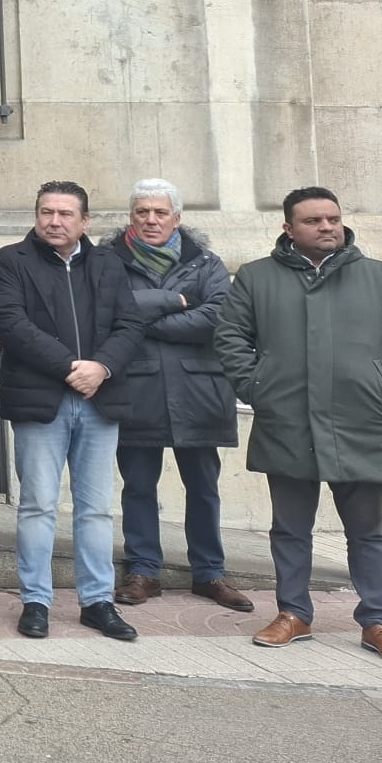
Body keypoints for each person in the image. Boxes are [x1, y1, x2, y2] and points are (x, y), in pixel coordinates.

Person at [215, 187, 382, 658]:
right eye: (313, 221)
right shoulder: (255, 277)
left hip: (364, 423)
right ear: (289, 228)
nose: (327, 227)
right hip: (286, 421)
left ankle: (379, 621)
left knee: (370, 531)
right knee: (290, 529)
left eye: (332, 218)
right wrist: (258, 387)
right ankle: (294, 613)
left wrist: (381, 390)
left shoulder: (379, 278)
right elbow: (230, 338)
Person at [0, 180, 144, 643]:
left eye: (65, 214)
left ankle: (98, 602)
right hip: (42, 401)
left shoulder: (109, 263)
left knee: (95, 510)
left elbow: (131, 324)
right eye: (46, 212)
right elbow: (10, 324)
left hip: (99, 401)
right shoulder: (10, 262)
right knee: (37, 506)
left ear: (85, 221)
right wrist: (71, 367)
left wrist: (103, 367)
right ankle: (36, 601)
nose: (54, 221)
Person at [107, 178, 252, 613]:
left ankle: (210, 573)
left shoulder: (207, 262)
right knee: (137, 486)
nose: (151, 220)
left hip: (199, 389)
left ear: (177, 218)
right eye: (142, 212)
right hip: (137, 388)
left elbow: (216, 316)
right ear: (131, 217)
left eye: (160, 212)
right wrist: (176, 301)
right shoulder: (108, 261)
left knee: (204, 488)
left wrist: (144, 318)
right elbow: (110, 311)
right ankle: (142, 571)